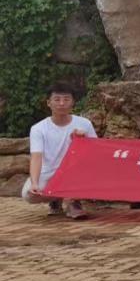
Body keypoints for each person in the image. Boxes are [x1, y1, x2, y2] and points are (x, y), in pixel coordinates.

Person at [22, 83, 97, 219]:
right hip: (50, 173)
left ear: (73, 102)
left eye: (66, 99)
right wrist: (34, 183)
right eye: (57, 99)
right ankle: (55, 198)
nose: (62, 103)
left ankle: (73, 202)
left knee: (97, 181)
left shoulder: (84, 124)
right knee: (29, 194)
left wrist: (82, 141)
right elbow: (36, 157)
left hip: (75, 173)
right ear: (48, 103)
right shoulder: (38, 128)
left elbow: (96, 152)